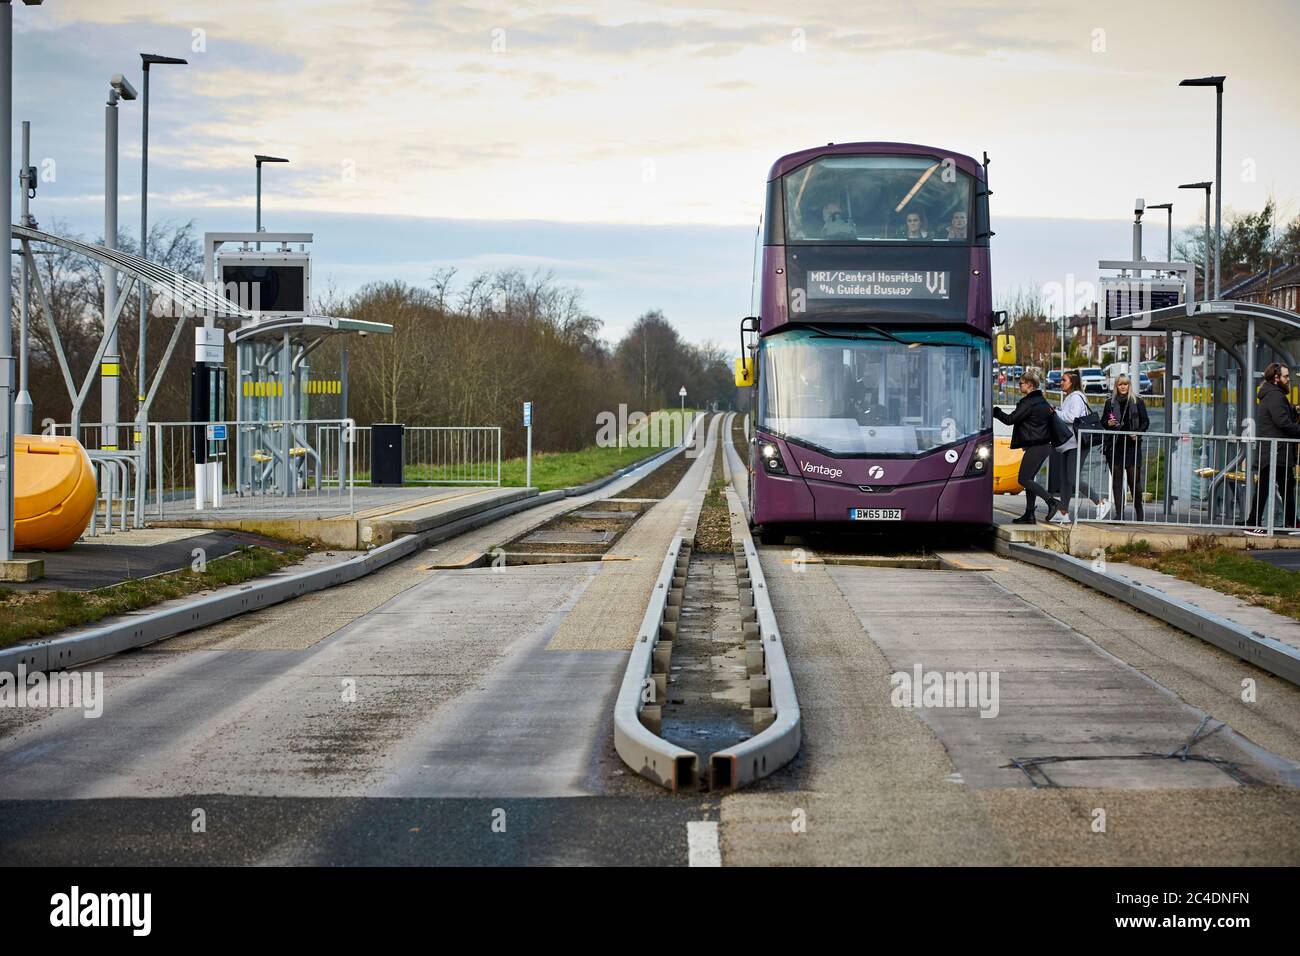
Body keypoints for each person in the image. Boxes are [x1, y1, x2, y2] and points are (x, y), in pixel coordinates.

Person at [993, 367, 1060, 524]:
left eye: (1021, 383)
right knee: (1029, 479)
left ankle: (1052, 502)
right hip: (1043, 446)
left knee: (1023, 479)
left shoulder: (1028, 403)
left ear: (1030, 384)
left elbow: (1010, 420)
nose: (1019, 386)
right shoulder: (1042, 400)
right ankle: (1029, 514)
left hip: (1037, 446)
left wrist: (995, 411)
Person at [1246, 362, 1300, 536]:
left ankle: (1291, 522)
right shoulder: (1275, 396)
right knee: (1265, 487)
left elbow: (1282, 414)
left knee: (1286, 485)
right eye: (1285, 377)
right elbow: (1282, 421)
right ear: (1276, 378)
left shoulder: (1273, 394)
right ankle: (1253, 522)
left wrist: (1294, 409)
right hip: (1276, 451)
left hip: (1278, 450)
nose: (1288, 380)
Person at [1052, 369, 1109, 523]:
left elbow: (1073, 417)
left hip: (1077, 443)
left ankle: (1100, 502)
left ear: (1072, 383)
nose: (1061, 383)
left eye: (1064, 380)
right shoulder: (1069, 397)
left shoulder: (1076, 397)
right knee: (1064, 478)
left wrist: (1056, 412)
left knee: (1072, 478)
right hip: (1068, 443)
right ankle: (1063, 511)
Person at [1100, 373, 1149, 521]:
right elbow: (1103, 422)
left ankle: (1139, 514)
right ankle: (1119, 514)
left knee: (1134, 482)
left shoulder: (1138, 401)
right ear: (1116, 386)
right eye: (1120, 384)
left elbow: (1145, 422)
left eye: (1125, 384)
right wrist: (1108, 424)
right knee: (1116, 481)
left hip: (1132, 446)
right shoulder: (1110, 403)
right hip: (1114, 446)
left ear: (1129, 385)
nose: (1123, 387)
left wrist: (1137, 433)